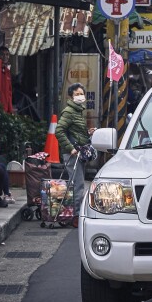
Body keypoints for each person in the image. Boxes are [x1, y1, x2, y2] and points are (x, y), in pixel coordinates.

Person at [56, 83, 95, 228]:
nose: (80, 96)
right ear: (71, 96)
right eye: (77, 94)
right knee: (77, 185)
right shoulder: (69, 111)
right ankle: (75, 216)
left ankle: (74, 214)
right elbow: (59, 131)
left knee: (77, 184)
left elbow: (74, 132)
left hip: (79, 153)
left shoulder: (78, 111)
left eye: (81, 94)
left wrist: (87, 133)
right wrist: (70, 148)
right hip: (72, 154)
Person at [0, 45, 14, 113]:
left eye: (7, 54)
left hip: (5, 109)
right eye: (2, 54)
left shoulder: (7, 71)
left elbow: (9, 92)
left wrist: (10, 109)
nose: (5, 57)